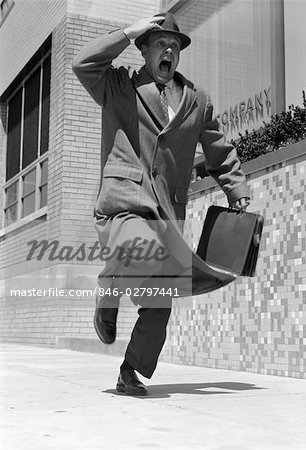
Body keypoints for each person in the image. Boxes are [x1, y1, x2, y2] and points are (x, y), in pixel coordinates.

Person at [72, 12, 250, 396]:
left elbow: (218, 149)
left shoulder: (197, 100)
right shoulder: (118, 86)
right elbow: (82, 63)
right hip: (124, 202)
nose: (169, 50)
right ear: (144, 50)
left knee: (160, 304)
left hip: (168, 212)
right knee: (142, 248)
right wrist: (126, 32)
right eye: (160, 43)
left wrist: (237, 190)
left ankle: (130, 371)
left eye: (174, 45)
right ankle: (110, 285)